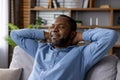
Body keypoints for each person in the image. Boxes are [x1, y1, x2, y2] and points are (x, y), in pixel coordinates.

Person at [10, 15, 118, 80]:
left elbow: (110, 36)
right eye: (53, 26)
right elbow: (15, 34)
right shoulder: (40, 49)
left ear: (72, 34)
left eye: (61, 27)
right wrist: (49, 34)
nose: (55, 29)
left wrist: (80, 36)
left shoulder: (83, 54)